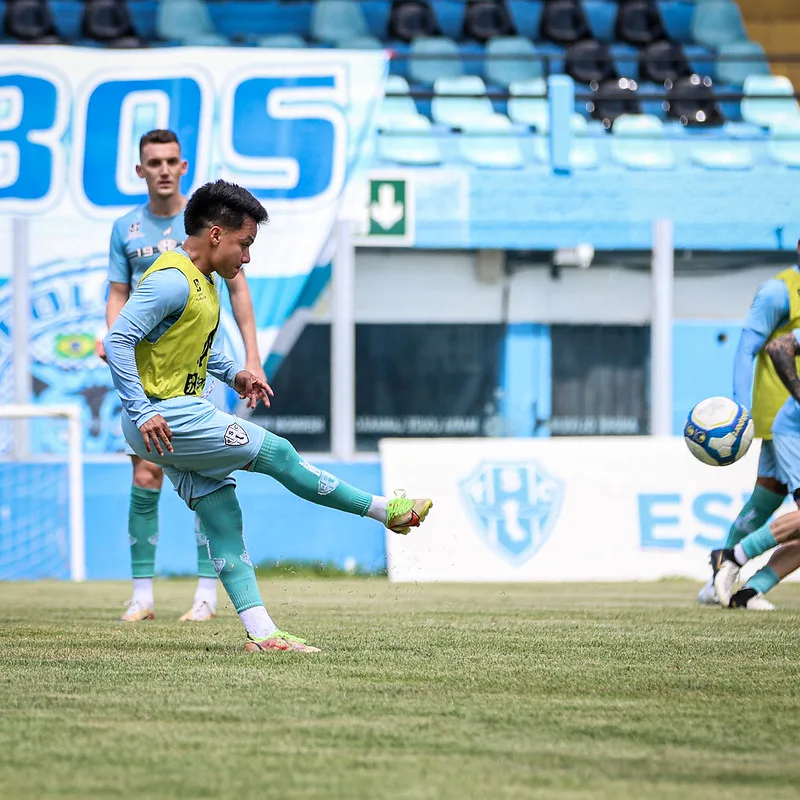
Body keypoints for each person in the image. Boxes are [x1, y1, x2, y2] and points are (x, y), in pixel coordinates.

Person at [103, 179, 433, 653]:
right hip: (164, 416)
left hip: (169, 418)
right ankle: (386, 511)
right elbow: (118, 340)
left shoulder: (203, 282)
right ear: (216, 234)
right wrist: (142, 410)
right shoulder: (171, 278)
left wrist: (234, 374)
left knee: (221, 515)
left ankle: (262, 633)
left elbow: (190, 352)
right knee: (278, 452)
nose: (248, 257)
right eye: (245, 243)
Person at [97, 130, 267, 624]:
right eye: (154, 162)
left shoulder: (217, 227)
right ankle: (142, 595)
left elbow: (239, 298)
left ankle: (205, 594)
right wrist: (115, 337)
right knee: (145, 471)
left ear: (183, 167)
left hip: (194, 374)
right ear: (140, 170)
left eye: (171, 160)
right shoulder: (126, 228)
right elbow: (118, 293)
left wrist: (249, 359)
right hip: (146, 374)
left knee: (207, 470)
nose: (163, 169)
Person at [700, 248, 800, 610]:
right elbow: (754, 347)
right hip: (785, 417)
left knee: (765, 501)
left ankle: (739, 590)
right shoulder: (780, 291)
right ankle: (731, 560)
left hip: (787, 418)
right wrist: (740, 409)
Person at [711, 327, 800, 608]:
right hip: (794, 431)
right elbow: (778, 347)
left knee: (766, 504)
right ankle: (732, 557)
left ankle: (748, 593)